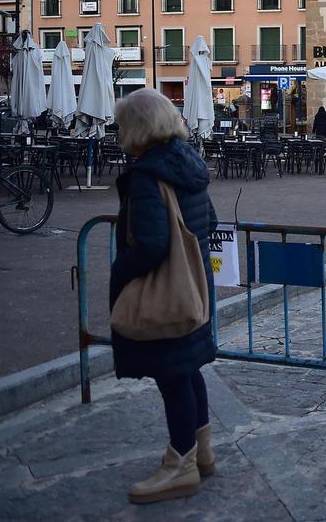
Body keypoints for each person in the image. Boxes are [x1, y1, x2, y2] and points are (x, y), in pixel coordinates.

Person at [110, 89, 219, 504]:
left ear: (138, 126)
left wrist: (120, 271)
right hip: (192, 289)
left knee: (173, 375)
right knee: (190, 369)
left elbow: (152, 245)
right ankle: (203, 452)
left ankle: (181, 464)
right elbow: (207, 220)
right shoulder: (188, 164)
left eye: (122, 123)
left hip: (166, 292)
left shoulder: (146, 175)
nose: (119, 131)